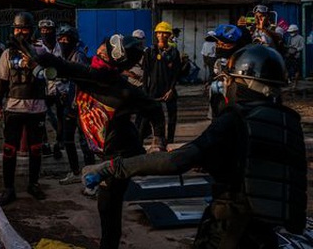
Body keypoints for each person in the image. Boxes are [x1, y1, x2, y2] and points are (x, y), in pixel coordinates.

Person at [86, 45, 307, 249]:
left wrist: (113, 167)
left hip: (230, 229)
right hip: (268, 234)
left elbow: (177, 161)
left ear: (241, 83)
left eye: (228, 80)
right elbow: (257, 165)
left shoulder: (234, 119)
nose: (225, 86)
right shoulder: (288, 122)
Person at [33, 34, 166, 249]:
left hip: (121, 157)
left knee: (108, 209)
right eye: (106, 43)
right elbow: (59, 65)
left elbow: (155, 109)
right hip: (107, 152)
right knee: (106, 208)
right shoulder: (89, 75)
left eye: (111, 48)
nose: (102, 48)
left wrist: (158, 141)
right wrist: (31, 50)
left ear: (118, 60)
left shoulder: (123, 90)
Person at [0, 11, 49, 205]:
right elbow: (1, 81)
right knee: (9, 148)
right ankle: (9, 188)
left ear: (31, 30)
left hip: (37, 107)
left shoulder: (41, 51)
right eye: (17, 29)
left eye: (24, 28)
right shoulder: (7, 53)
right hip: (14, 108)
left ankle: (33, 184)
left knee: (35, 148)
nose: (20, 32)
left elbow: (49, 75)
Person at [51, 24, 94, 186]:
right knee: (68, 139)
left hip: (80, 105)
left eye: (66, 39)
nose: (63, 42)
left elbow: (82, 82)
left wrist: (75, 99)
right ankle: (75, 171)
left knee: (84, 141)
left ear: (73, 41)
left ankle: (90, 172)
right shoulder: (63, 56)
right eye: (60, 39)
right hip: (67, 104)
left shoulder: (78, 56)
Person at [143, 21, 182, 143]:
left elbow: (176, 73)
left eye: (165, 33)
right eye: (159, 33)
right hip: (154, 89)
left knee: (172, 116)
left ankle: (170, 140)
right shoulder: (150, 51)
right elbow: (145, 73)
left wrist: (171, 89)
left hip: (169, 88)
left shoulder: (174, 52)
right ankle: (158, 138)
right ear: (156, 35)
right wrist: (146, 90)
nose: (161, 35)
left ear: (169, 35)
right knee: (153, 116)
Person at [37, 18, 63, 158]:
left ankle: (59, 143)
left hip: (61, 87)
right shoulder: (37, 46)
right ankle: (45, 143)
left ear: (54, 31)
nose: (45, 32)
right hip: (43, 87)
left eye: (48, 30)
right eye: (43, 30)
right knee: (42, 115)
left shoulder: (62, 46)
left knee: (61, 117)